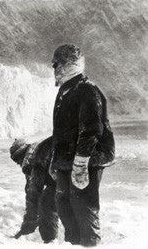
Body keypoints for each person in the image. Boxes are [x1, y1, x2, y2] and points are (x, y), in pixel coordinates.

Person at [50, 44, 115, 246]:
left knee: (84, 208)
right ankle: (74, 244)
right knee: (64, 205)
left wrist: (81, 164)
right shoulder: (66, 91)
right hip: (66, 160)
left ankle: (89, 244)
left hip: (85, 161)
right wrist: (56, 161)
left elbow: (92, 130)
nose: (54, 69)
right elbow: (60, 134)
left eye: (57, 64)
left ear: (70, 65)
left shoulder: (86, 90)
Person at [10, 136, 58, 243]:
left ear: (20, 155)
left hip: (61, 180)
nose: (19, 164)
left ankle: (50, 242)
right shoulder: (38, 148)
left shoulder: (30, 160)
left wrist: (26, 228)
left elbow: (33, 194)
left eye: (17, 161)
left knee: (46, 205)